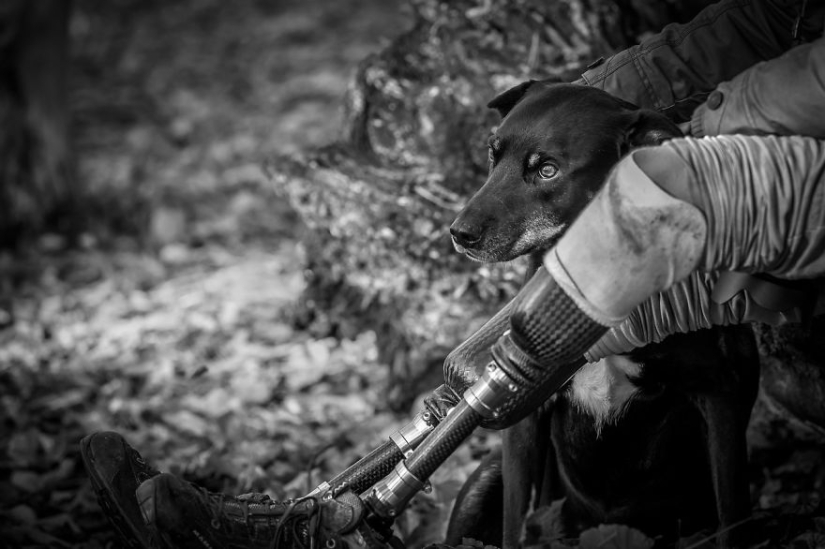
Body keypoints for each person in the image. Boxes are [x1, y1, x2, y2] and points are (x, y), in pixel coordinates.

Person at [81, 0, 825, 547]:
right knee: (576, 150)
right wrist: (591, 102)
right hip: (772, 41)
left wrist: (704, 143)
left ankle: (324, 521)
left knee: (619, 256)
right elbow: (751, 27)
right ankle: (330, 514)